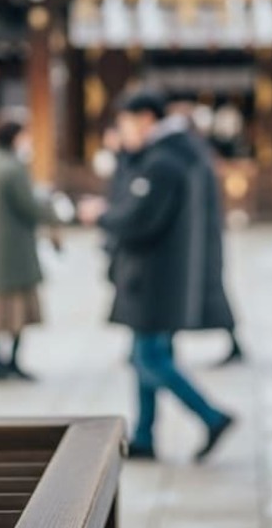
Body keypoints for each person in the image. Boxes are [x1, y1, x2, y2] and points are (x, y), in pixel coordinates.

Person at [78, 93, 235, 463]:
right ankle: (146, 434)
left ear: (146, 118)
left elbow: (137, 220)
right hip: (165, 274)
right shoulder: (177, 153)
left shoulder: (162, 162)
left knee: (149, 357)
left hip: (154, 277)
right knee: (145, 354)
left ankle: (211, 416)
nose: (122, 131)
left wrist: (100, 214)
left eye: (126, 122)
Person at [0, 118, 59, 381]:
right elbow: (29, 206)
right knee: (18, 311)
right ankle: (11, 363)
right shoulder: (12, 168)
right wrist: (52, 211)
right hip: (15, 248)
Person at [163, 93, 245, 366]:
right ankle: (167, 343)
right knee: (181, 292)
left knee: (205, 292)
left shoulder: (191, 152)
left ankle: (232, 342)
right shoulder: (195, 151)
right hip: (198, 233)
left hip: (200, 234)